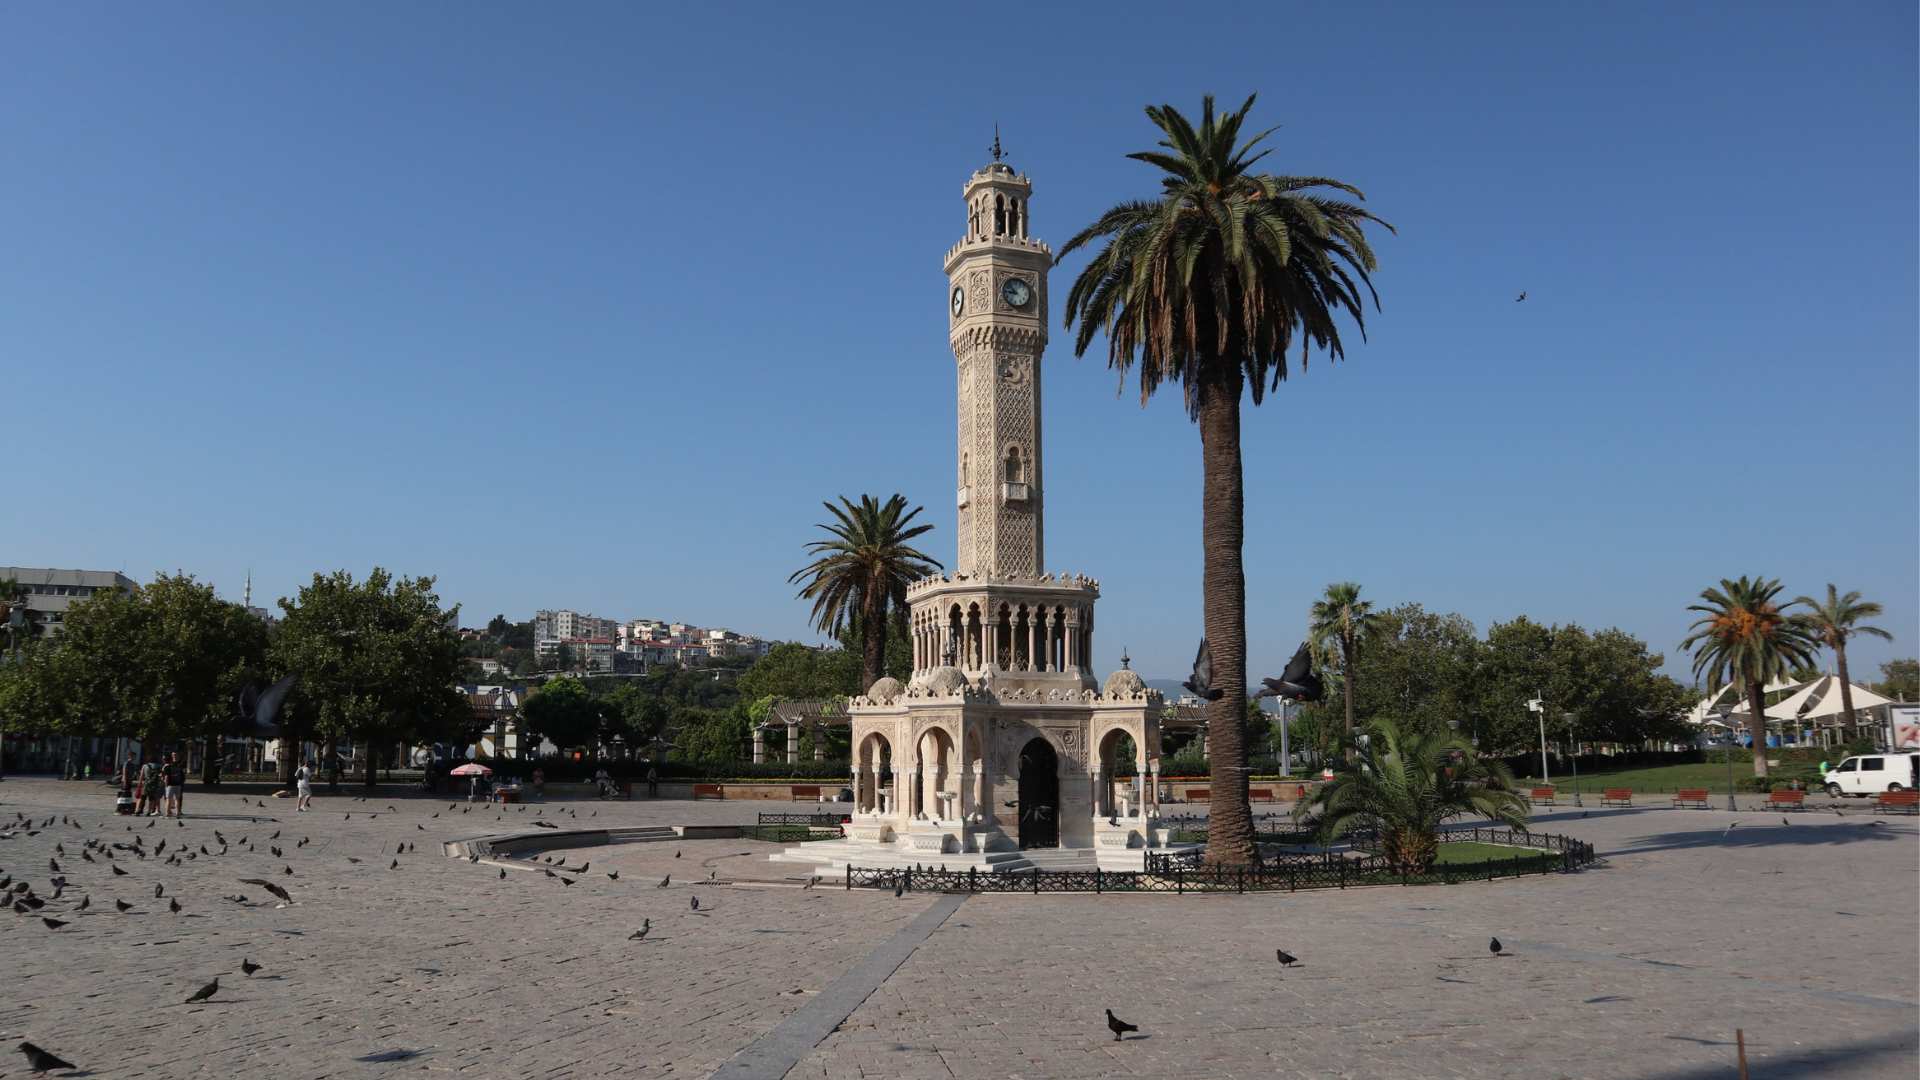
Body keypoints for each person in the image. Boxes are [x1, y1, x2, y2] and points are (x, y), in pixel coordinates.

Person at [162, 752, 186, 818]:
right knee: (177, 799)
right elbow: (182, 776)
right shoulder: (178, 767)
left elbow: (166, 777)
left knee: (168, 799)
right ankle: (178, 812)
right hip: (178, 785)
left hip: (170, 785)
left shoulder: (167, 767)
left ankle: (167, 813)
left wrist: (166, 785)